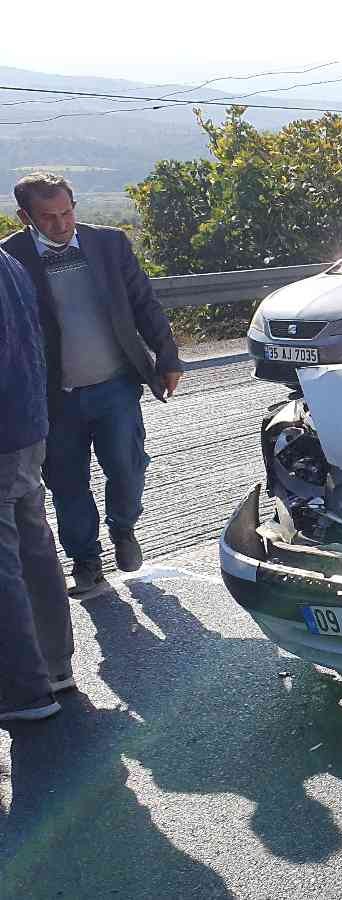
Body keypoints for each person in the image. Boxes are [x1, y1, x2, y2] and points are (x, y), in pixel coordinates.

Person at [2, 173, 183, 596]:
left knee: (127, 465)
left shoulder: (108, 243)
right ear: (25, 216)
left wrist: (167, 355)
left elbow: (143, 302)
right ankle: (85, 561)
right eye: (48, 218)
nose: (62, 224)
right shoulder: (10, 258)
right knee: (66, 483)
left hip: (115, 387)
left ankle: (123, 527)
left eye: (67, 212)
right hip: (52, 399)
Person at [1, 245, 75, 723]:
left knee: (5, 561)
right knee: (34, 546)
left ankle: (22, 691)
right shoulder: (9, 263)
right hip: (27, 426)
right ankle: (54, 668)